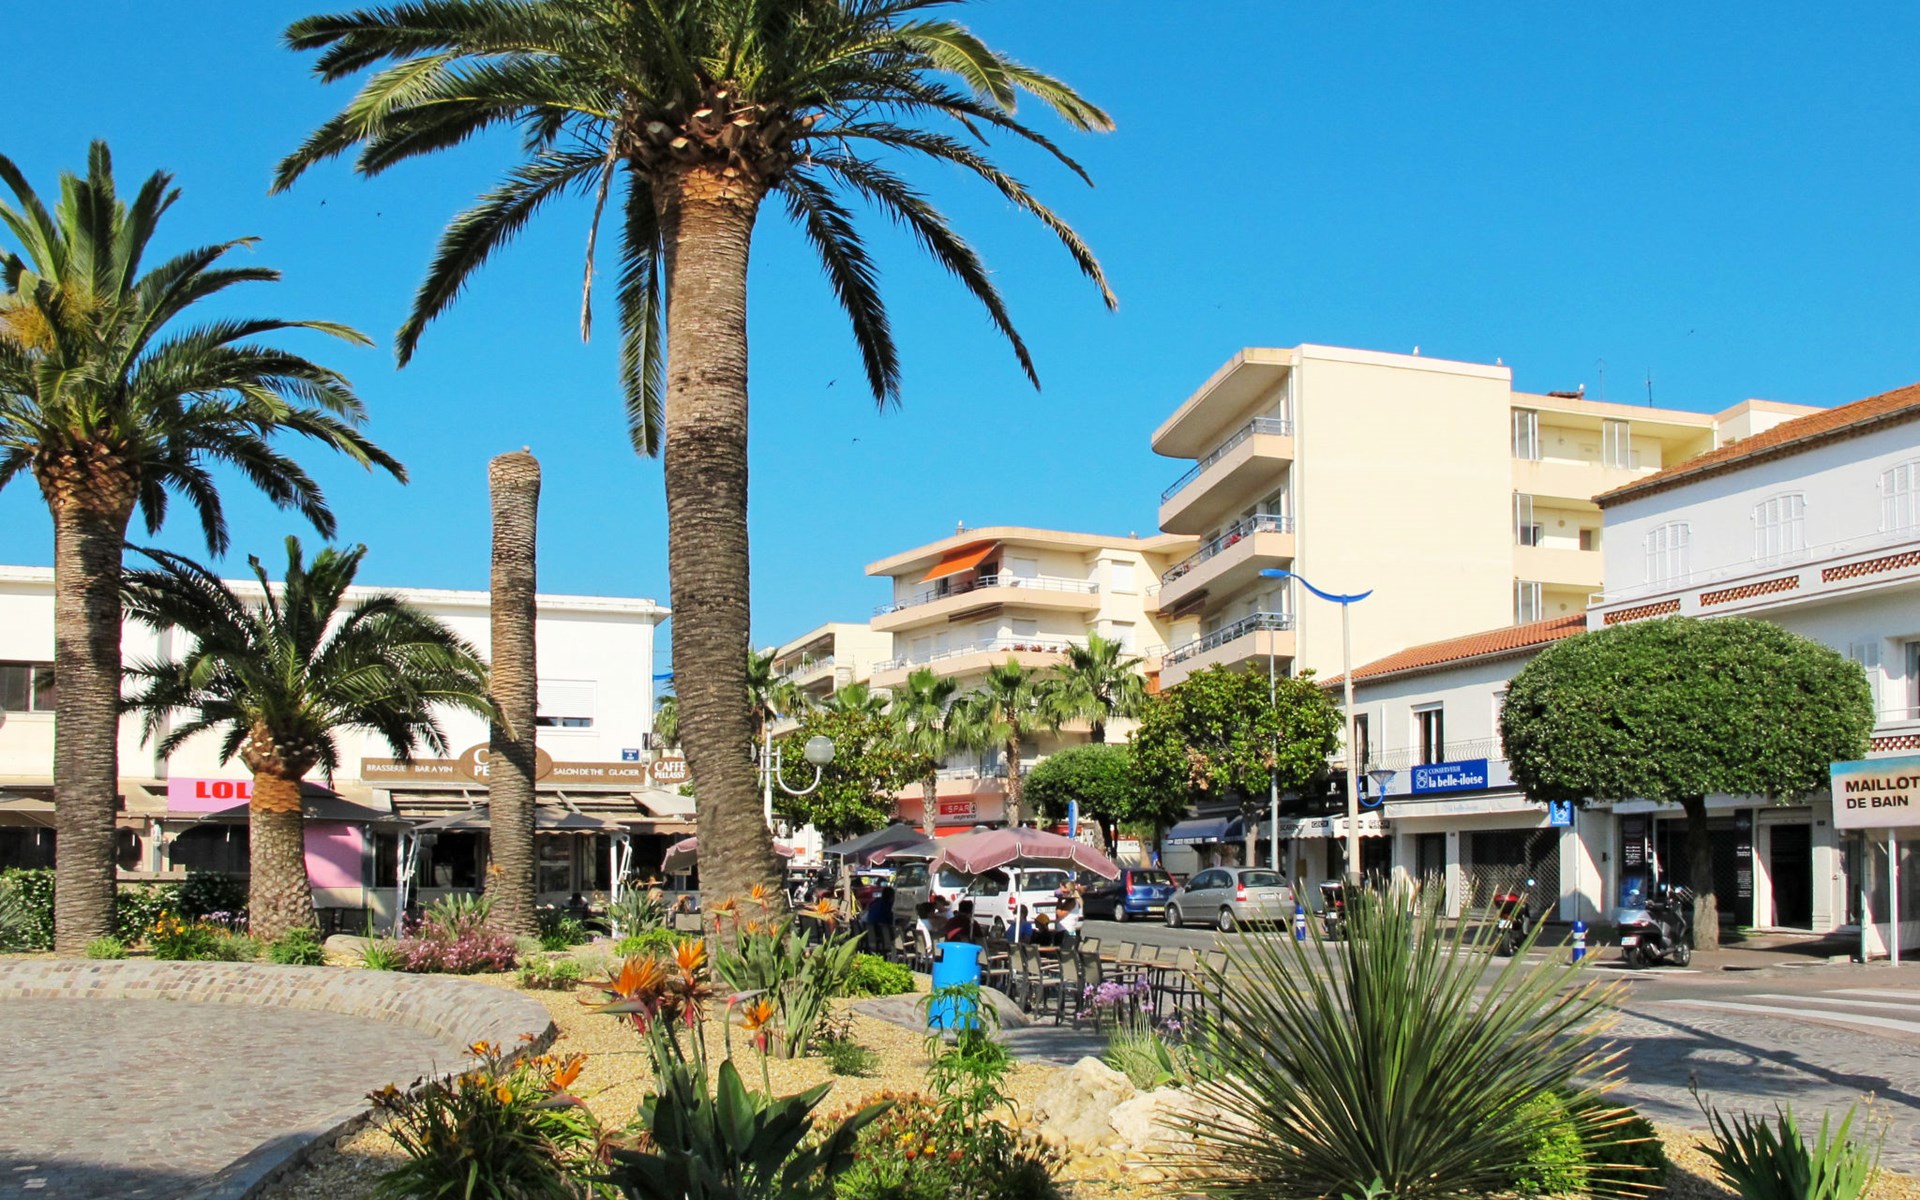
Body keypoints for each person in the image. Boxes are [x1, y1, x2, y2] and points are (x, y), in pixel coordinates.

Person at [861, 885, 896, 953]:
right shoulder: (887, 909)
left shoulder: (875, 904)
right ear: (891, 897)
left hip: (870, 934)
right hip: (880, 936)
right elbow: (890, 925)